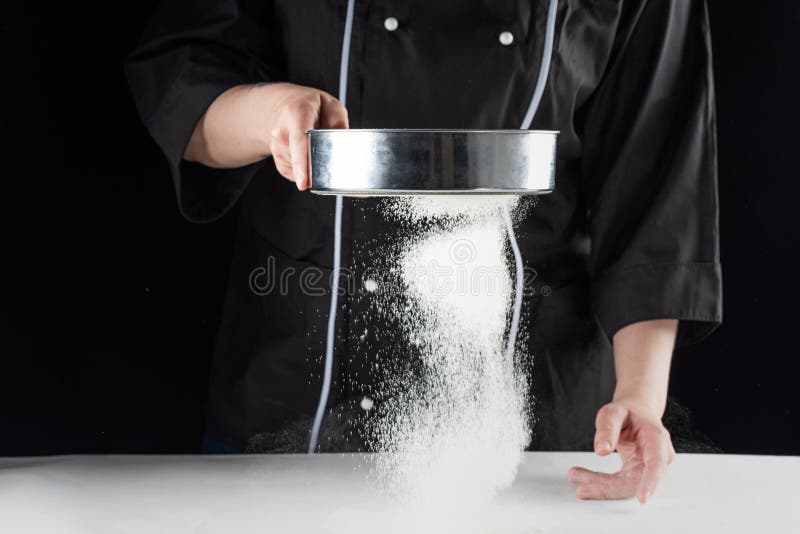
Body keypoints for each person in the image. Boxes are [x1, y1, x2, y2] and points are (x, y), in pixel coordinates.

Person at [126, 0, 721, 504]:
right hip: (291, 397)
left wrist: (640, 398)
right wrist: (270, 116)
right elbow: (184, 75)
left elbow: (656, 183)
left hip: (533, 434)